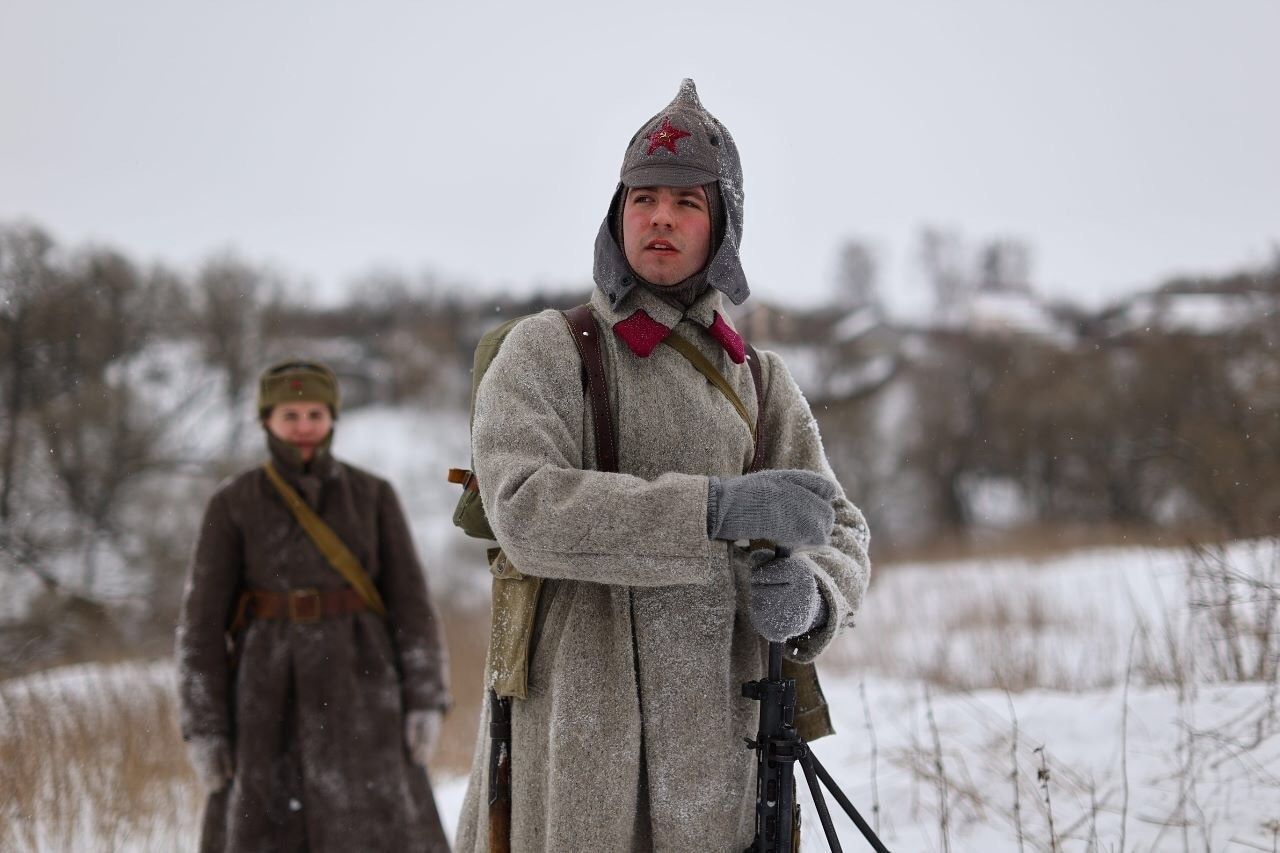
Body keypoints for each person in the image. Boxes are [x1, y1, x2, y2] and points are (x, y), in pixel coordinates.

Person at [455, 80, 871, 851]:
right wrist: (709, 512)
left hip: (721, 745)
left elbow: (838, 522)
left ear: (723, 227)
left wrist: (813, 596)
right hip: (581, 742)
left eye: (688, 204)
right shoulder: (547, 350)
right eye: (643, 197)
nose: (661, 219)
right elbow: (526, 507)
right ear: (618, 214)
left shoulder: (761, 380)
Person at [176, 360, 451, 852]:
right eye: (290, 415)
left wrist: (425, 698)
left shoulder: (372, 495)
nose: (303, 427)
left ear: (332, 418)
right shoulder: (233, 503)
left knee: (376, 828)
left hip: (364, 688)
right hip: (265, 697)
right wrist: (205, 728)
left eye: (314, 414)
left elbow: (412, 608)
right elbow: (200, 628)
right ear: (266, 420)